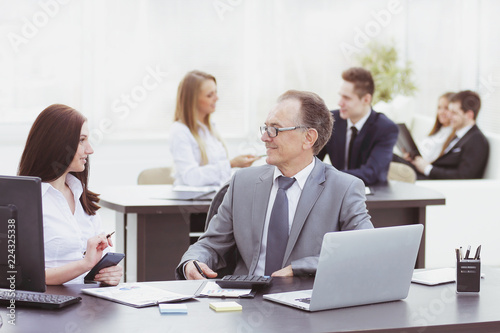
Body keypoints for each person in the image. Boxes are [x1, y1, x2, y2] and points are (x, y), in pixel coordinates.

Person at [176, 90, 373, 280]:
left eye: (275, 129)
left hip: (306, 301)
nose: (264, 137)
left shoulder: (344, 188)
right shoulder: (242, 182)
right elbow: (211, 244)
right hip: (246, 302)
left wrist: (300, 268)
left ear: (308, 138)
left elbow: (365, 250)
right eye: (265, 128)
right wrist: (192, 261)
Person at [18, 104, 123, 285]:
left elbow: (98, 261)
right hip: (46, 308)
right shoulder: (27, 202)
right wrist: (85, 264)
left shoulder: (81, 197)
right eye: (81, 140)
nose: (90, 150)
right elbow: (24, 277)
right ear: (58, 144)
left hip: (87, 303)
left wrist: (108, 274)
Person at [169, 70, 260, 186]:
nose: (216, 98)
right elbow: (191, 178)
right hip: (193, 202)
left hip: (214, 198)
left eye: (215, 93)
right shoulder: (179, 131)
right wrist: (231, 164)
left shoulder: (210, 128)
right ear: (192, 100)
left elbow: (218, 174)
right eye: (209, 95)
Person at [317, 67, 399, 185]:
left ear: (366, 99)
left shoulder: (386, 128)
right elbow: (312, 161)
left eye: (346, 98)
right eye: (340, 96)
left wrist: (330, 176)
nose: (340, 103)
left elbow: (371, 173)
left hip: (372, 197)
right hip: (336, 192)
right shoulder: (330, 120)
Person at [410, 90, 489, 179]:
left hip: (435, 183)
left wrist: (428, 169)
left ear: (469, 115)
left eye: (454, 113)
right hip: (426, 176)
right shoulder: (459, 136)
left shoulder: (476, 139)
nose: (449, 116)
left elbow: (464, 176)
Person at [411, 92, 455, 163]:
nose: (441, 112)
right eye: (439, 108)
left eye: (446, 108)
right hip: (415, 161)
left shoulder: (451, 134)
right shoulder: (437, 130)